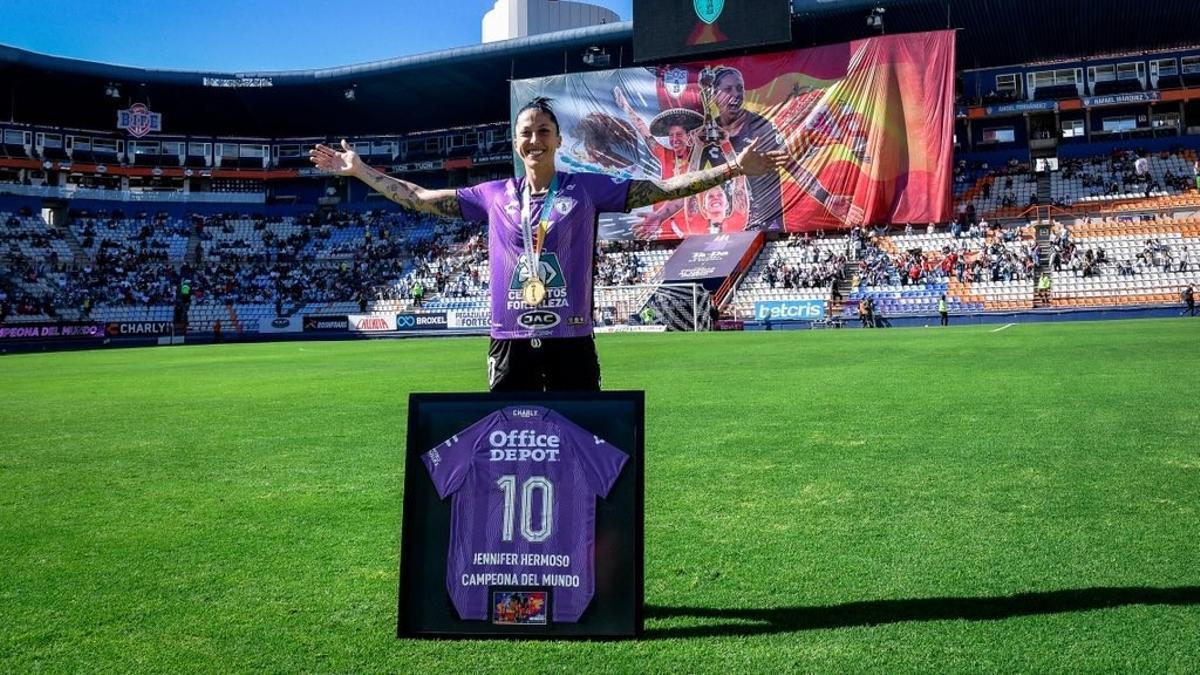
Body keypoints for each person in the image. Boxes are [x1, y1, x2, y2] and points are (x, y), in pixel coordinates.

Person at [310, 97, 785, 392]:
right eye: (526, 133)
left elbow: (662, 191)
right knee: (509, 449)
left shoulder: (587, 188)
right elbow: (418, 197)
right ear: (516, 143)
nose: (534, 139)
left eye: (543, 131)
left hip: (571, 342)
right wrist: (359, 171)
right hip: (510, 343)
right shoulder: (492, 196)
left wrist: (734, 169)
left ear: (557, 139)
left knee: (579, 442)